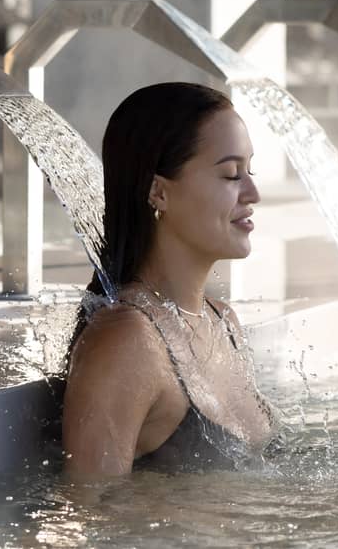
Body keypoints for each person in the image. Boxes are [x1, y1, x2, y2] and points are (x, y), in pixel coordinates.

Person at [62, 82, 276, 478]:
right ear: (159, 192)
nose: (253, 192)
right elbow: (87, 514)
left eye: (250, 170)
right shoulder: (127, 342)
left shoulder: (223, 322)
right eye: (231, 174)